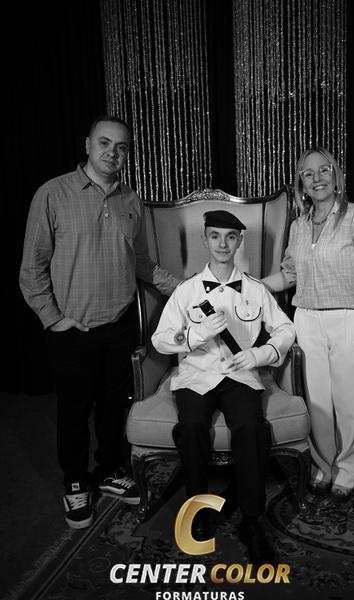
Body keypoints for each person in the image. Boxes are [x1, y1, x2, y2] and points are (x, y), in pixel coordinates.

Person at [19, 115, 180, 529]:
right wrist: (52, 318)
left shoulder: (131, 200)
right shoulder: (53, 193)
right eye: (105, 143)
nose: (113, 152)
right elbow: (32, 267)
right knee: (74, 410)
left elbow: (141, 262)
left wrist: (186, 287)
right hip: (73, 328)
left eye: (122, 147)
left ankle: (109, 470)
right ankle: (75, 482)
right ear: (88, 144)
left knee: (114, 408)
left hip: (121, 325)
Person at [152, 210, 295, 562]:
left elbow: (286, 329)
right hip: (196, 376)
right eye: (215, 236)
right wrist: (196, 334)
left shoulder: (255, 289)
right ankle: (198, 511)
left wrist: (260, 354)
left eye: (230, 237)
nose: (222, 244)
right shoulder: (186, 291)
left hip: (239, 375)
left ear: (239, 241)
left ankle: (252, 520)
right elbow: (160, 339)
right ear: (205, 240)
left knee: (250, 428)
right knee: (192, 427)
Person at [263, 147, 354, 504]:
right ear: (301, 184)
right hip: (307, 319)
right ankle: (323, 467)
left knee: (349, 404)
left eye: (324, 170)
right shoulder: (299, 226)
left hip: (352, 320)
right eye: (308, 173)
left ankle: (347, 472)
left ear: (336, 177)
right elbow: (290, 275)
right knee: (317, 403)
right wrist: (250, 284)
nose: (316, 178)